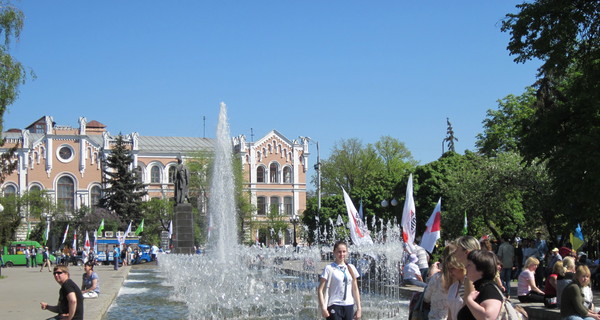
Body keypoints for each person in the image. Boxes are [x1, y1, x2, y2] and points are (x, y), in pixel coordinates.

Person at [317, 240, 362, 320]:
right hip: (334, 304)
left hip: (349, 305)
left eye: (344, 251)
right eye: (339, 252)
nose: (342, 254)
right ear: (334, 252)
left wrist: (359, 308)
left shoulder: (351, 268)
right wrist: (323, 307)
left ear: (347, 252)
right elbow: (320, 290)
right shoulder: (329, 268)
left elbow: (355, 289)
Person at [457, 250, 503, 320]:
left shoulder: (489, 289)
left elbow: (488, 317)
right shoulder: (482, 287)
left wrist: (469, 301)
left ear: (481, 268)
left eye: (469, 265)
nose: (465, 267)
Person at [445, 251, 466, 320]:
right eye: (448, 269)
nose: (450, 271)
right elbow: (450, 315)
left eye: (452, 268)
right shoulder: (453, 287)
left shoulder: (470, 286)